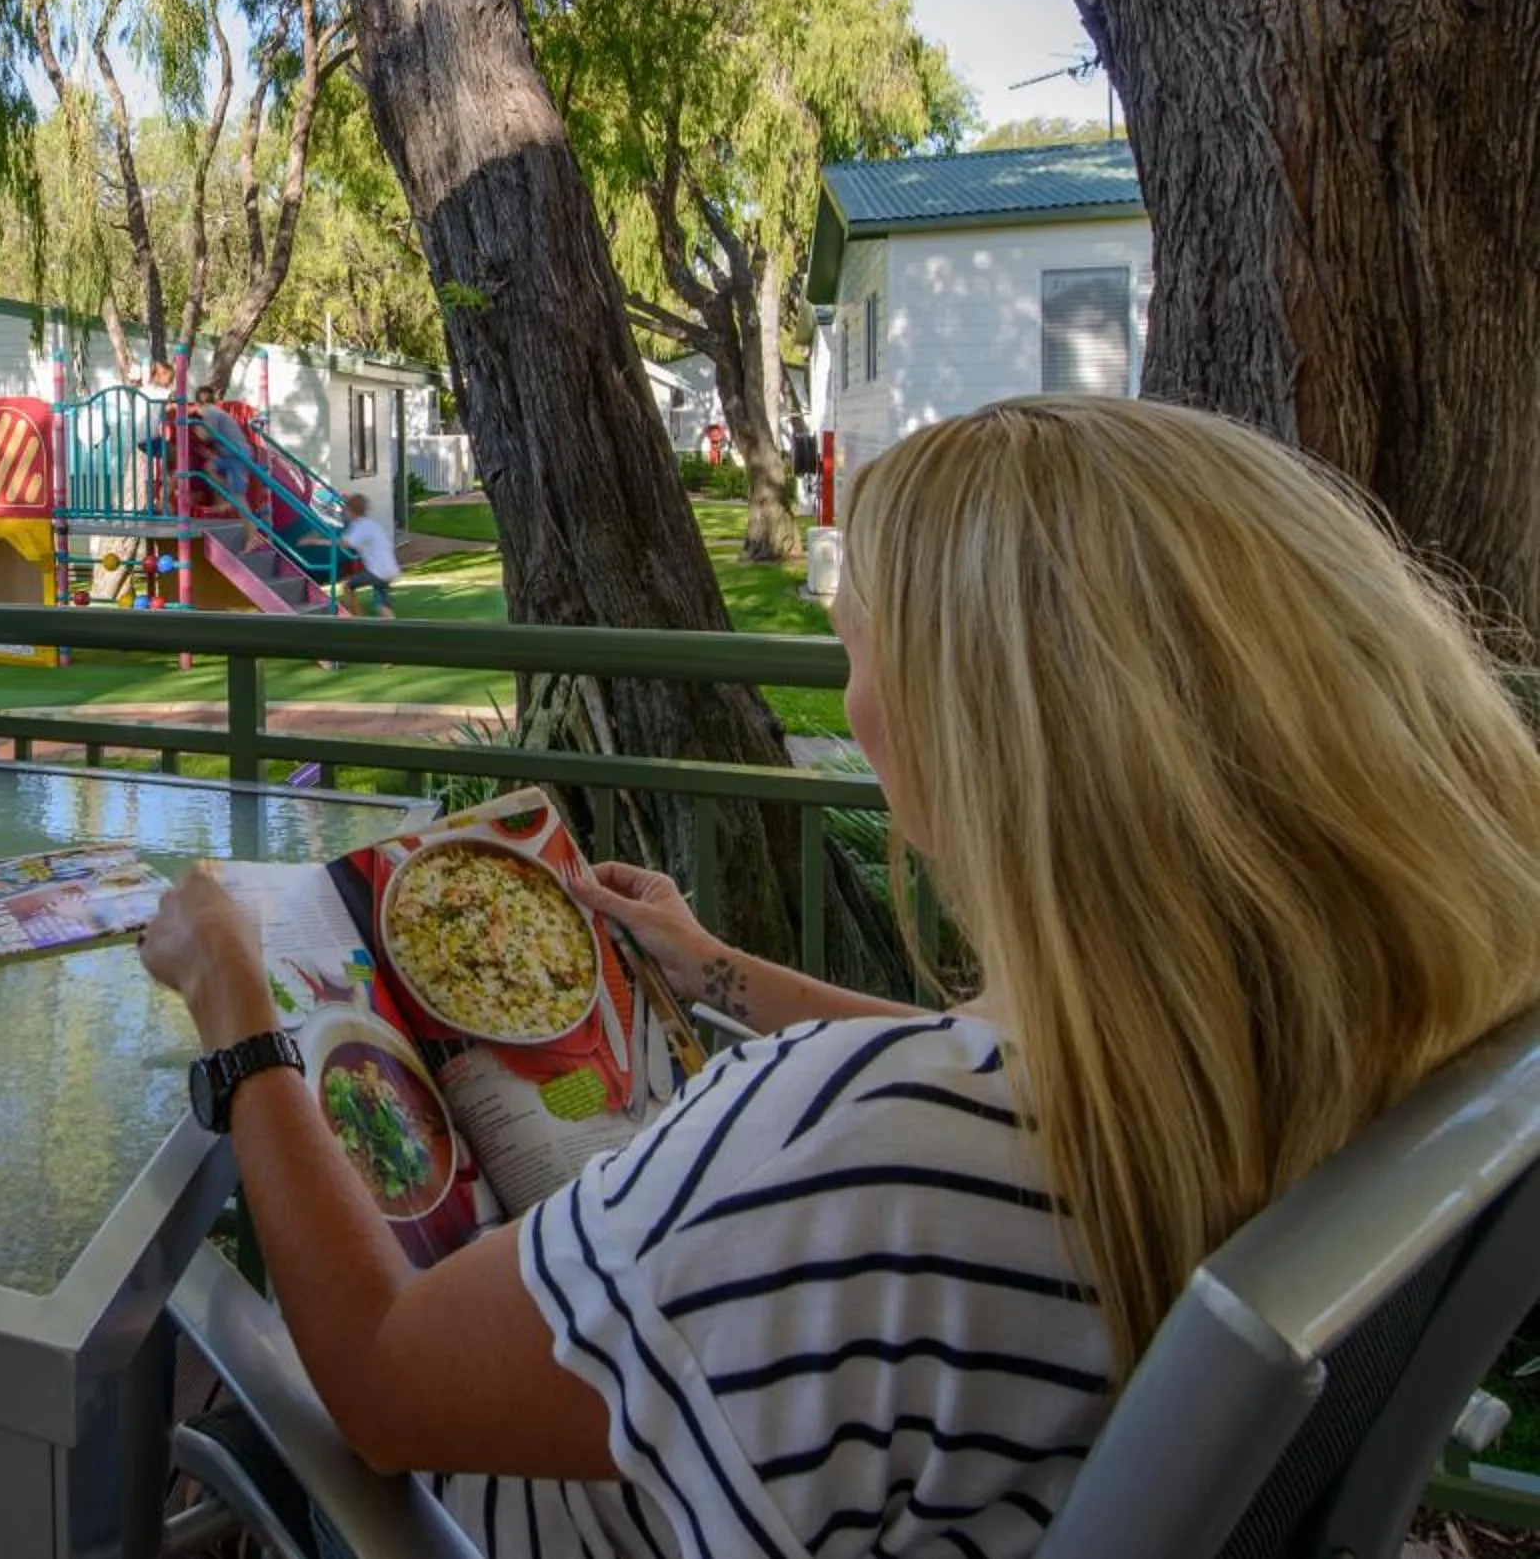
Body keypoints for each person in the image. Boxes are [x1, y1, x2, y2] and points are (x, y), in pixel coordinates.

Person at [140, 395, 1540, 1556]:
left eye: (857, 647)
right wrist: (718, 971)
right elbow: (1033, 1079)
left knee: (192, 1309)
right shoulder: (1347, 1045)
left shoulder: (870, 1151)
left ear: (974, 731)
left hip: (505, 1504)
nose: (852, 692)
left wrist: (240, 1012)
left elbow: (384, 1377)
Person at [336, 493, 401, 618]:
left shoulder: (361, 526)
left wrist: (317, 541)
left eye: (346, 511)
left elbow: (345, 543)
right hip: (390, 570)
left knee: (348, 586)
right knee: (382, 602)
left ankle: (359, 619)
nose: (345, 513)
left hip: (378, 572)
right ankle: (391, 624)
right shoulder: (371, 524)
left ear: (350, 511)